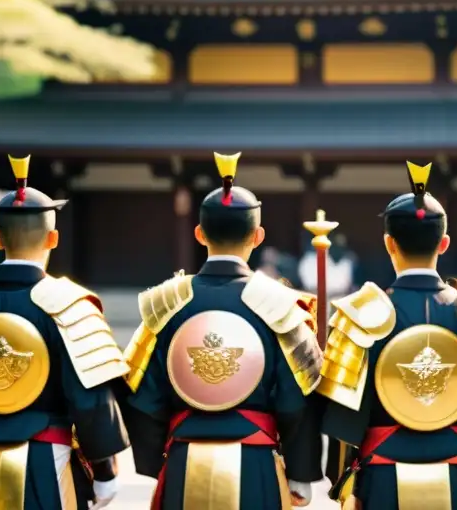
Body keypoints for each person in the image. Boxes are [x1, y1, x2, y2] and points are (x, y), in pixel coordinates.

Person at [0, 154, 130, 509]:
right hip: (51, 461)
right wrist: (104, 472)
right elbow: (91, 401)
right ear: (53, 238)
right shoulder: (71, 306)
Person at [123, 151, 323, 509]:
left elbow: (141, 394)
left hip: (184, 459)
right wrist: (299, 473)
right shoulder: (280, 304)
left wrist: (158, 461)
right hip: (257, 462)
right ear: (258, 236)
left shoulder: (166, 304)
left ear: (199, 234)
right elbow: (297, 399)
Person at [320, 160, 457, 509]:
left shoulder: (360, 316)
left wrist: (341, 481)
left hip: (381, 480)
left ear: (389, 244)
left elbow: (343, 415)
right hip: (454, 475)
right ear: (444, 244)